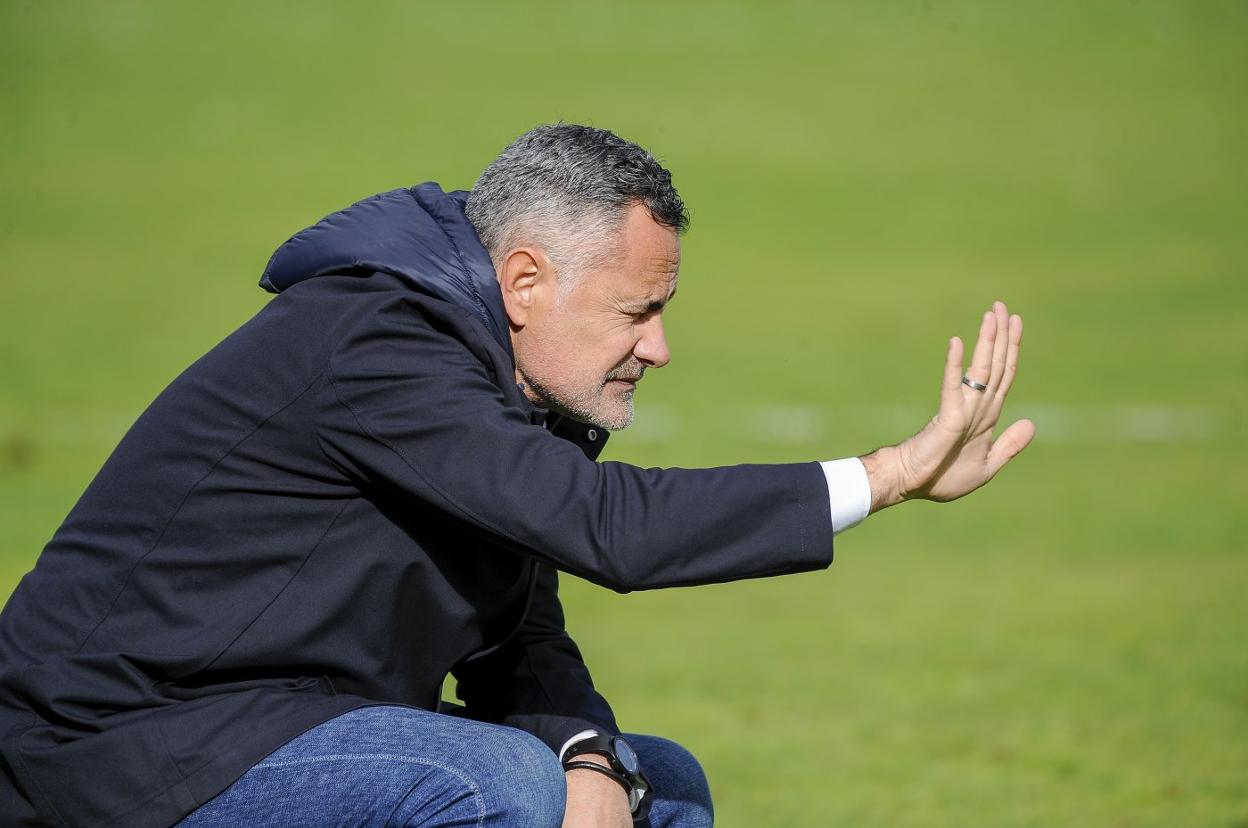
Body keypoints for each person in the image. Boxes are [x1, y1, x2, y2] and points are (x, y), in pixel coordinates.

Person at [0, 124, 1033, 828]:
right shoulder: (379, 347)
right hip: (115, 749)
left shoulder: (496, 383)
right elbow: (608, 531)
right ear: (526, 280)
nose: (661, 347)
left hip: (276, 726)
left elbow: (515, 628)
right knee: (486, 781)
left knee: (654, 787)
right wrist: (887, 475)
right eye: (637, 311)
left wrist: (589, 755)